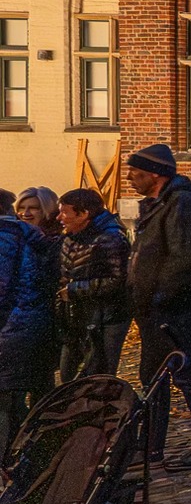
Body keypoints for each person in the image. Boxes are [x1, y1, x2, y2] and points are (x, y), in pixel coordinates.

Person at [126, 145, 191, 469]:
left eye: (137, 174)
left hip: (176, 307)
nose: (130, 179)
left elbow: (183, 258)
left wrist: (160, 296)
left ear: (156, 175)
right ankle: (150, 445)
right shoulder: (159, 205)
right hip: (154, 308)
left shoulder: (183, 203)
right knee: (152, 378)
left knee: (188, 375)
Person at [0, 199, 56, 458]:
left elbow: (3, 286)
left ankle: (18, 456)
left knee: (7, 397)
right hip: (26, 321)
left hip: (14, 324)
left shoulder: (5, 237)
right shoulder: (18, 234)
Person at [54, 187, 130, 381]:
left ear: (84, 214)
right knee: (67, 372)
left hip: (106, 317)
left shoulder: (109, 238)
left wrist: (75, 290)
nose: (59, 217)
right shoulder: (71, 236)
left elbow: (118, 280)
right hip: (76, 316)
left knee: (99, 374)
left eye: (64, 212)